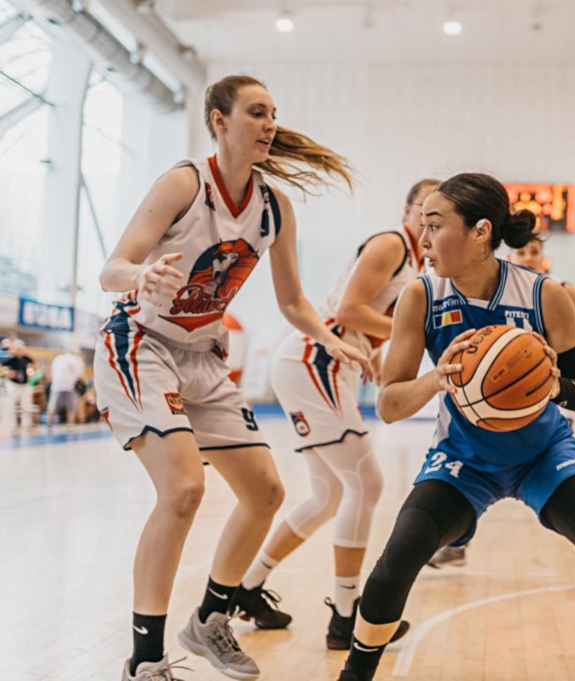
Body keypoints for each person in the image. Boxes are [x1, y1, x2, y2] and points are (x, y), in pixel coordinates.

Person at [337, 173, 575, 681]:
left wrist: (551, 386)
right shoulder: (421, 296)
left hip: (545, 456)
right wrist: (436, 379)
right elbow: (389, 405)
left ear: (480, 231)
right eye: (422, 225)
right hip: (463, 461)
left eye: (435, 225)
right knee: (393, 567)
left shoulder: (544, 294)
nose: (423, 238)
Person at [96, 74, 370, 681]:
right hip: (141, 345)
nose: (270, 124)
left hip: (203, 356)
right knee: (183, 490)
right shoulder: (184, 183)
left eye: (273, 113)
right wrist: (141, 276)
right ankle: (146, 660)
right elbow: (112, 267)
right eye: (256, 112)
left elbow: (293, 302)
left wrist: (330, 339)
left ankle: (209, 619)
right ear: (219, 121)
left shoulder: (274, 207)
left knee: (266, 492)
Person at [231, 178, 439, 649]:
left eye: (439, 213)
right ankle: (347, 616)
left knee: (327, 496)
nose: (430, 220)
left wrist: (380, 355)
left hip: (328, 363)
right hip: (316, 359)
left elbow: (363, 319)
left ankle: (248, 586)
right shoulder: (392, 243)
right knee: (367, 483)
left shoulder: (415, 259)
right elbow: (348, 309)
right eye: (424, 209)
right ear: (407, 210)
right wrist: (415, 334)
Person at [428, 231, 575, 570]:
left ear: (543, 257)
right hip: (511, 396)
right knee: (479, 460)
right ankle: (458, 543)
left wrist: (573, 377)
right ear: (510, 257)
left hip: (555, 395)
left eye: (533, 251)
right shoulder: (494, 298)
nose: (527, 257)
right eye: (521, 252)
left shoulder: (560, 291)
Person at [2, 339, 36, 433]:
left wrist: (31, 372)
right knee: (11, 405)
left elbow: (33, 365)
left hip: (24, 384)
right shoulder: (11, 360)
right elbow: (3, 368)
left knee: (26, 406)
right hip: (13, 384)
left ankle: (26, 425)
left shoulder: (26, 358)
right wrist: (8, 373)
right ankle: (11, 425)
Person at [47, 347, 85, 427]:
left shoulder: (57, 359)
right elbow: (80, 375)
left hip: (57, 385)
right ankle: (70, 425)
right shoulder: (77, 360)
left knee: (52, 406)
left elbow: (52, 373)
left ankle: (49, 424)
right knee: (71, 407)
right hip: (70, 386)